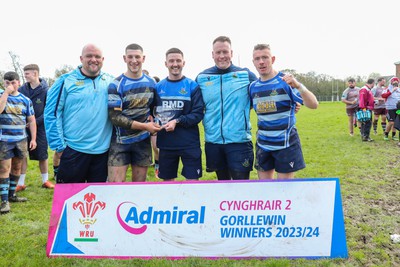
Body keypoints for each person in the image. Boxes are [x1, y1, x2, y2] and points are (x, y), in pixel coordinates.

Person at [44, 44, 114, 183]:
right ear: (81, 58)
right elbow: (52, 113)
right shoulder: (65, 81)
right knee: (70, 200)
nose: (93, 59)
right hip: (73, 150)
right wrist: (60, 147)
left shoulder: (111, 81)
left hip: (103, 152)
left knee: (98, 201)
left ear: (103, 59)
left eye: (97, 56)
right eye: (89, 56)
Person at [249, 44, 318, 179]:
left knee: (284, 190)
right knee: (266, 190)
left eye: (265, 57)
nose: (261, 61)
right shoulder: (252, 87)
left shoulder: (286, 82)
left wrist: (298, 85)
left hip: (286, 144)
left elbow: (313, 104)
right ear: (253, 62)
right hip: (263, 144)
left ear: (273, 59)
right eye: (257, 59)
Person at [196, 36, 257, 180]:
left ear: (231, 53)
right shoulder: (202, 77)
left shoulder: (246, 75)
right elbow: (192, 106)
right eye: (218, 52)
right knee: (222, 186)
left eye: (225, 52)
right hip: (213, 142)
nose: (222, 56)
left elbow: (264, 92)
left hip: (239, 142)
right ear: (213, 54)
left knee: (241, 187)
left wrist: (291, 103)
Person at [107, 43, 161, 183]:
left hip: (142, 142)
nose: (134, 60)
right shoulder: (116, 84)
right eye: (130, 57)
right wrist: (145, 127)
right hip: (120, 141)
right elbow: (115, 117)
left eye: (137, 57)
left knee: (139, 189)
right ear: (124, 58)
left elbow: (155, 110)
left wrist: (155, 125)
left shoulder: (152, 83)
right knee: (115, 187)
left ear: (143, 58)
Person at [154, 48, 204, 181]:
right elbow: (152, 112)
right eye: (171, 61)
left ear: (184, 63)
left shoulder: (192, 86)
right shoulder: (158, 87)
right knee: (168, 185)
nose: (175, 64)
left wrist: (177, 121)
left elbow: (198, 114)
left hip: (189, 143)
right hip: (166, 144)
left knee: (192, 183)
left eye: (178, 60)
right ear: (166, 63)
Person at [0, 71, 37, 214]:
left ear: (19, 83)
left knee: (17, 167)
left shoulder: (26, 100)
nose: (10, 85)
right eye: (7, 83)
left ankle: (12, 195)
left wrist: (33, 139)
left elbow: (32, 120)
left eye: (13, 83)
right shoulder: (1, 96)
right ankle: (4, 201)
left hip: (21, 139)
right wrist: (6, 93)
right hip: (4, 139)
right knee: (4, 168)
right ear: (3, 83)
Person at [17, 64, 54, 191]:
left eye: (27, 73)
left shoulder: (46, 90)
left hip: (41, 128)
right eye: (24, 73)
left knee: (42, 155)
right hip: (23, 127)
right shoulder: (22, 89)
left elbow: (49, 111)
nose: (25, 76)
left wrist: (35, 122)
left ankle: (45, 181)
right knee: (22, 155)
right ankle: (20, 183)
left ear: (35, 74)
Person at [382, 77, 400, 141]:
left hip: (397, 108)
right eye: (394, 81)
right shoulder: (387, 89)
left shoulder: (399, 89)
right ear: (391, 82)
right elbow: (383, 95)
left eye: (397, 81)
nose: (395, 82)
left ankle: (394, 135)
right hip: (390, 108)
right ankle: (386, 134)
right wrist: (392, 90)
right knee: (391, 122)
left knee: (396, 122)